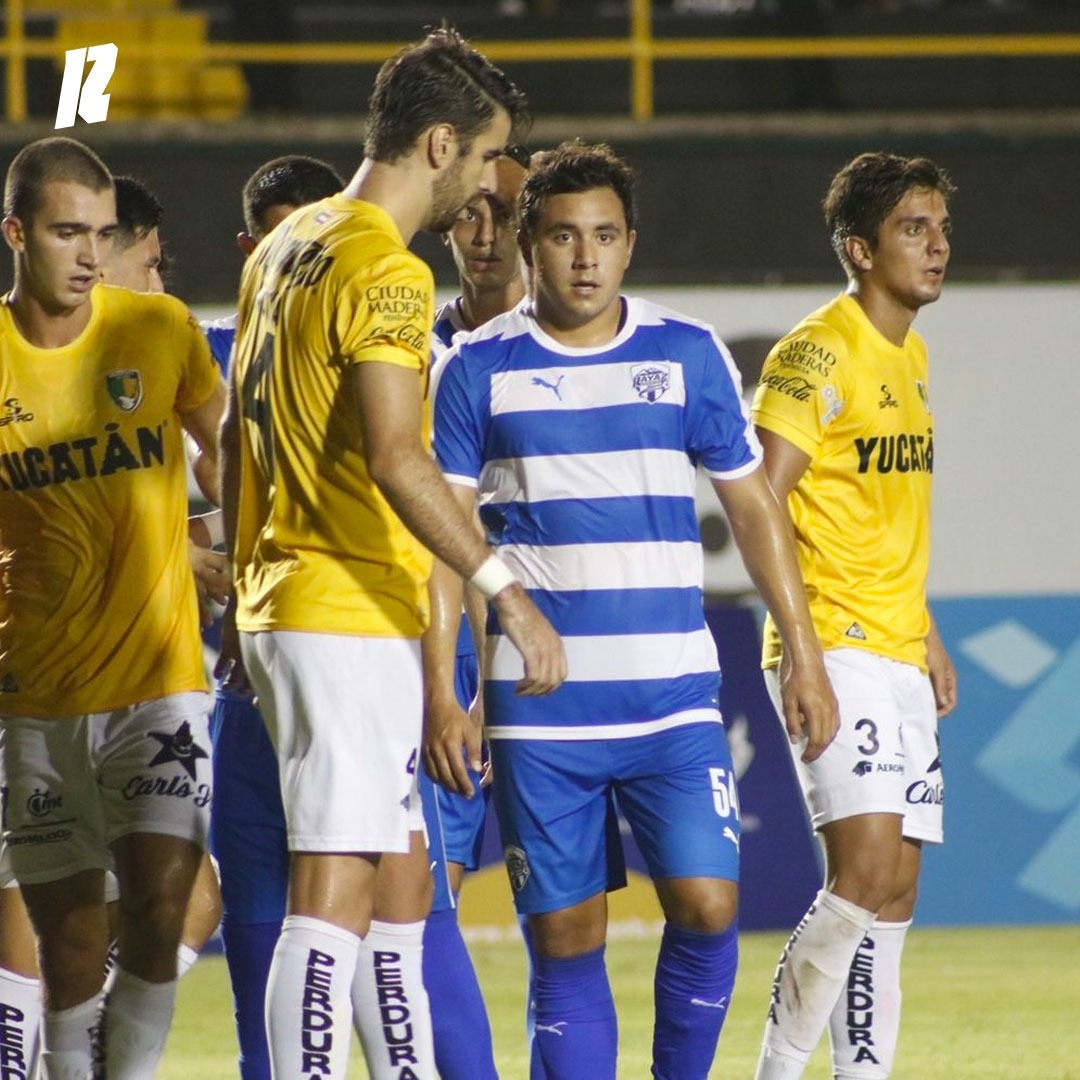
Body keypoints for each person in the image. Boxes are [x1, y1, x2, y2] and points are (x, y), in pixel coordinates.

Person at [428, 140, 837, 1080]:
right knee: (567, 935)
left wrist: (804, 654)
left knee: (708, 904)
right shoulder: (476, 370)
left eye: (604, 236)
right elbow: (442, 553)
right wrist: (448, 694)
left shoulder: (686, 353)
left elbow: (754, 509)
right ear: (529, 244)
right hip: (539, 709)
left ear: (630, 244)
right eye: (564, 236)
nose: (585, 256)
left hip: (674, 700)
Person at [219, 26, 565, 1080]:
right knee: (332, 897)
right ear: (441, 143)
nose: (486, 188)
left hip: (299, 603)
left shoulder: (291, 243)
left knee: (400, 885)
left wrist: (242, 584)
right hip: (340, 607)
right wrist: (509, 595)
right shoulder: (386, 267)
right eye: (484, 158)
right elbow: (400, 458)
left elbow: (240, 434)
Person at [0, 135, 225, 1079]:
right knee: (70, 956)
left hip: (157, 687)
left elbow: (229, 449)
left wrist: (246, 565)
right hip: (36, 699)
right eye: (66, 233)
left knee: (165, 905)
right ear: (15, 234)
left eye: (101, 234)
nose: (90, 256)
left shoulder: (158, 328)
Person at [748, 150, 958, 1080]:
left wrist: (927, 631)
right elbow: (759, 499)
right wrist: (803, 655)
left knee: (899, 888)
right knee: (864, 874)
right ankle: (776, 1070)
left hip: (896, 644)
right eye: (915, 228)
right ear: (858, 249)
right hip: (834, 640)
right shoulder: (816, 350)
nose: (938, 245)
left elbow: (888, 510)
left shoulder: (908, 353)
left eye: (941, 227)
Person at [205, 153, 344, 1080]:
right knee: (255, 925)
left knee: (392, 936)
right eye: (283, 239)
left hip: (358, 665)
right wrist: (204, 556)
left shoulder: (377, 348)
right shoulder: (206, 355)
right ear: (253, 246)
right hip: (245, 676)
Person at [421, 145, 531, 1080]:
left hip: (557, 669)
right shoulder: (415, 353)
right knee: (427, 909)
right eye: (468, 214)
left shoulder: (585, 345)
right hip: (449, 658)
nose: (486, 233)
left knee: (564, 919)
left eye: (505, 211)